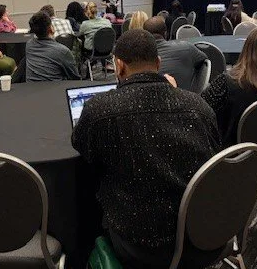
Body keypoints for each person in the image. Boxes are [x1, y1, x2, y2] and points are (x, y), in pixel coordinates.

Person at [72, 30, 220, 268]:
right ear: (159, 64)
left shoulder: (99, 110)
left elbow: (82, 148)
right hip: (201, 237)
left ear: (119, 66)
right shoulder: (199, 107)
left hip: (138, 246)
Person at [143, 16, 207, 91]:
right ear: (166, 33)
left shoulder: (139, 59)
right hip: (187, 100)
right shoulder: (187, 47)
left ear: (145, 35)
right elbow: (205, 61)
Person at [25, 11, 80, 82]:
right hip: (55, 90)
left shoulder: (29, 45)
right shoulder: (62, 51)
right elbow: (75, 77)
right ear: (51, 28)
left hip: (31, 89)